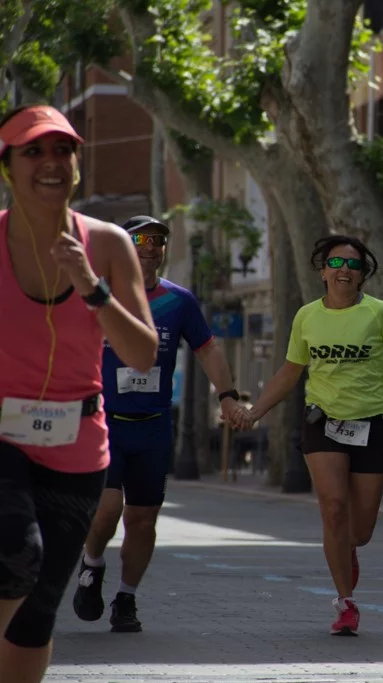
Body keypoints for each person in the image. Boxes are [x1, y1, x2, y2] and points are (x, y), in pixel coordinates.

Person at [232, 235, 383, 636]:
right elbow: (290, 372)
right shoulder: (307, 316)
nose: (343, 271)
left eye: (353, 265)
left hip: (374, 425)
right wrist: (255, 412)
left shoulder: (380, 313)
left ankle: (348, 549)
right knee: (334, 509)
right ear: (323, 271)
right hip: (324, 424)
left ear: (362, 276)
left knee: (359, 531)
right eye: (335, 264)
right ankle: (345, 603)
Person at [0, 105, 158, 683]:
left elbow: (142, 354)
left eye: (63, 150)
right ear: (8, 167)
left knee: (38, 612)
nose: (51, 163)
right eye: (33, 151)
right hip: (3, 437)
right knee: (15, 552)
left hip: (78, 446)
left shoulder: (109, 244)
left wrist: (92, 289)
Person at [72, 215, 245, 632]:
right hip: (104, 421)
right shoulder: (99, 295)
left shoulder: (178, 300)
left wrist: (227, 396)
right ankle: (92, 566)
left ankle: (126, 599)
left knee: (143, 519)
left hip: (153, 424)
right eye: (141, 239)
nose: (151, 247)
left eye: (159, 241)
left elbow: (207, 350)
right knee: (106, 510)